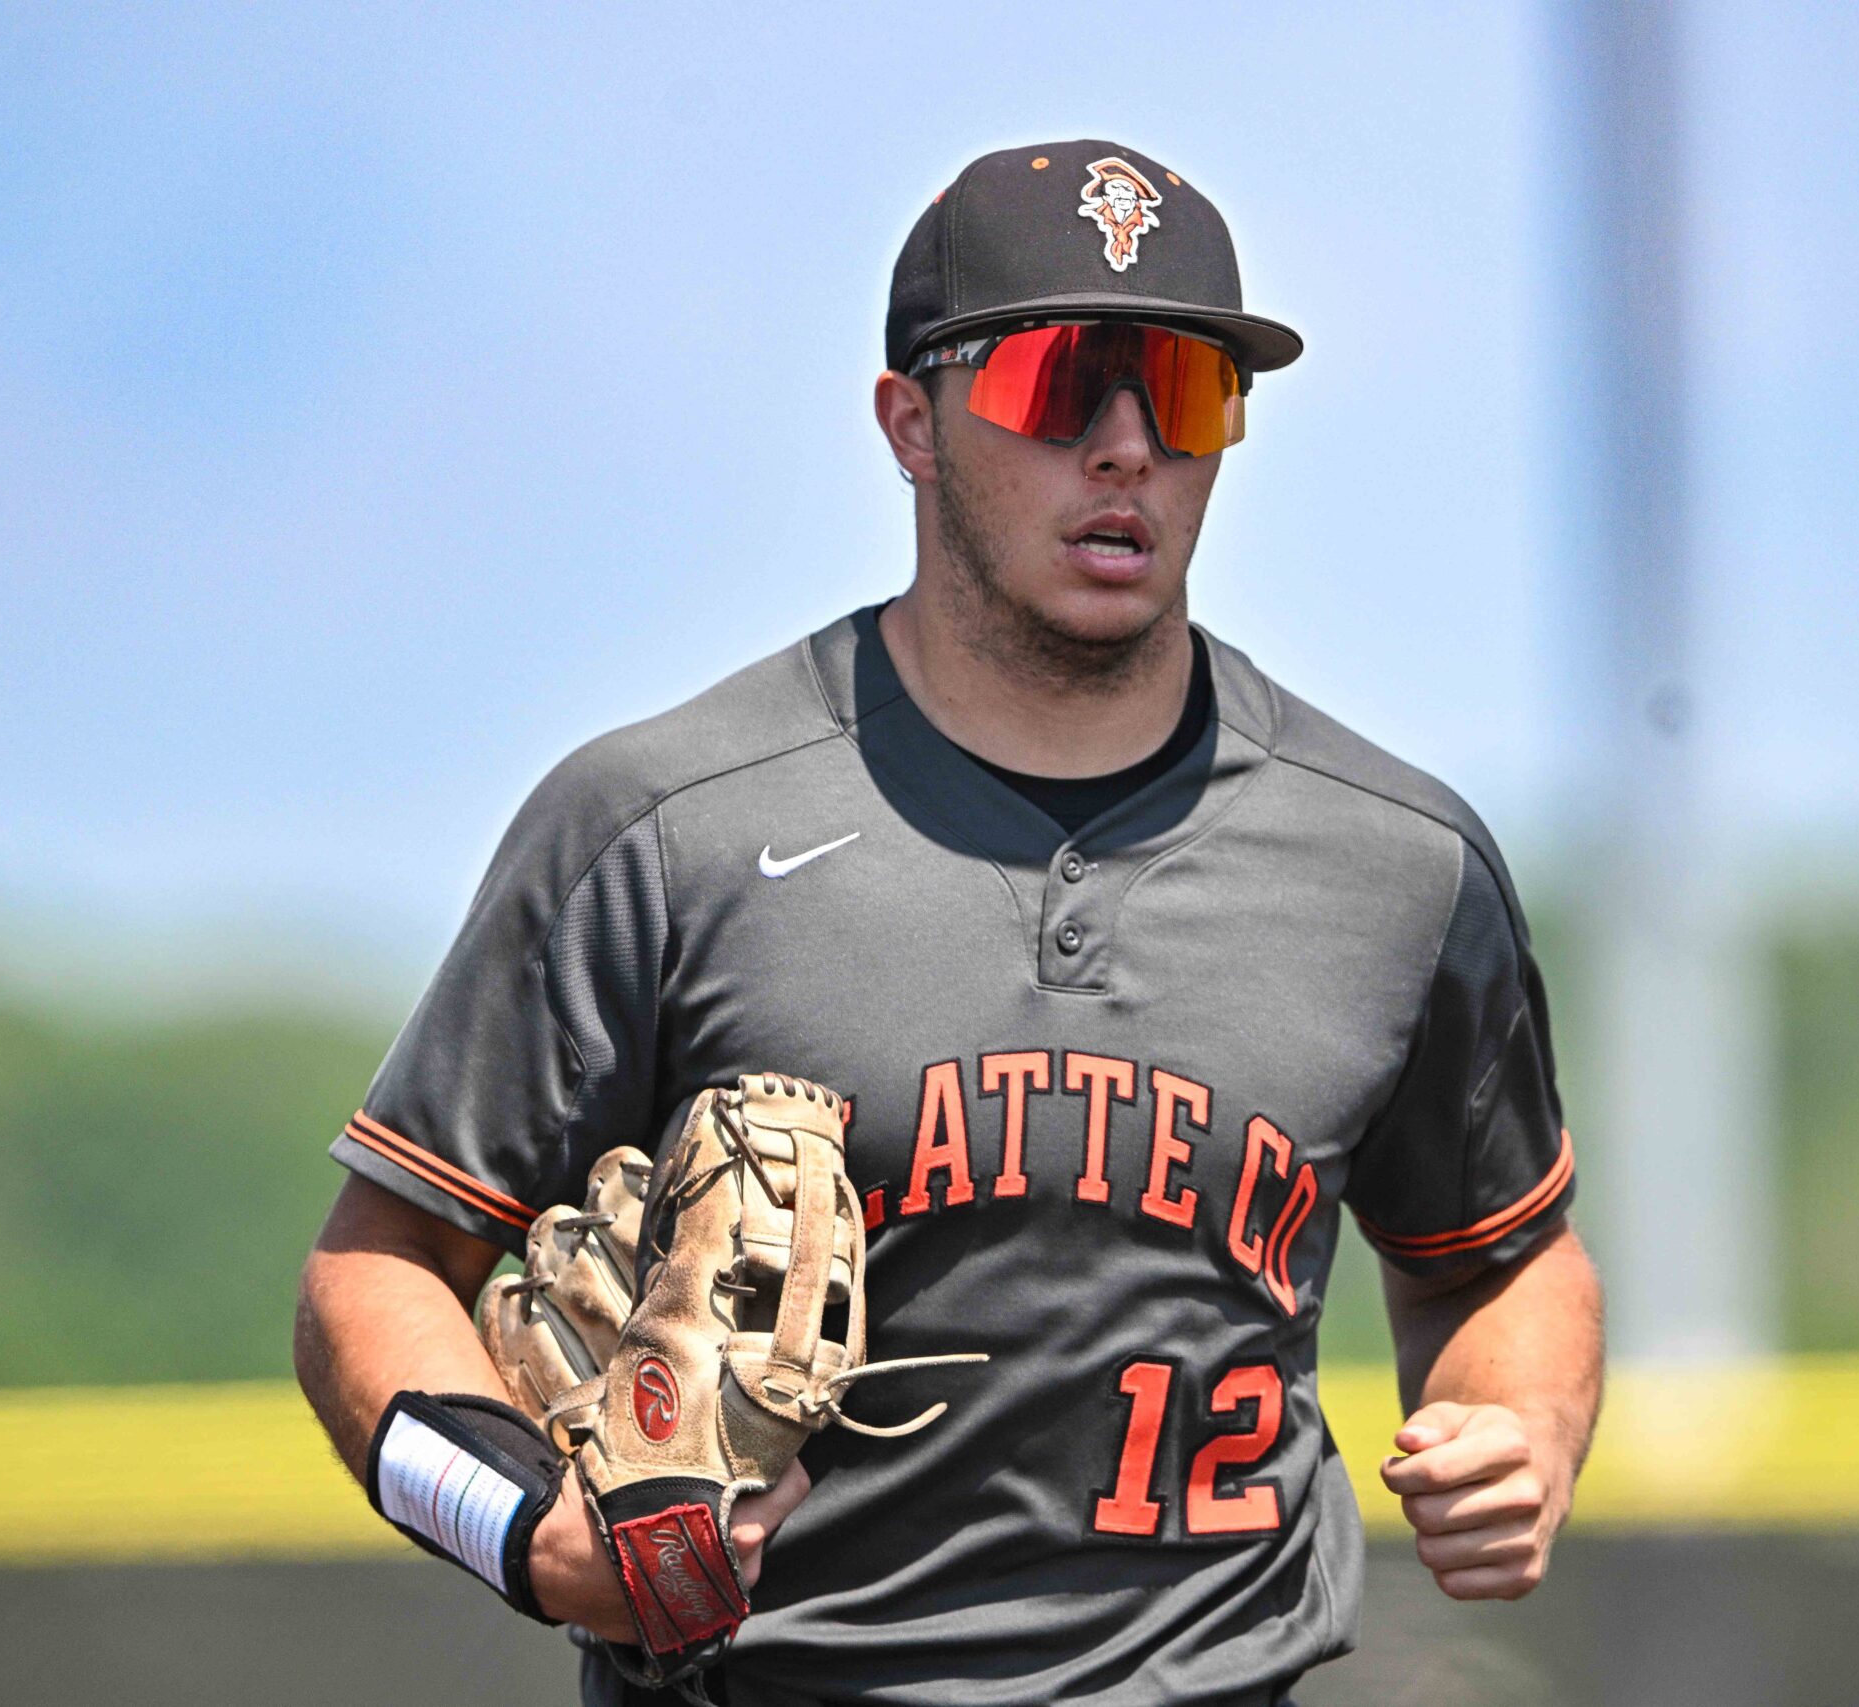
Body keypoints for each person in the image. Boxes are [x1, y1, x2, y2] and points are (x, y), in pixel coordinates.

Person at [294, 138, 1604, 1707]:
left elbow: (1499, 1259)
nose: (1127, 450)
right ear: (910, 423)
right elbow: (372, 1276)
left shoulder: (1393, 862)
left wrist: (1522, 1425)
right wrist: (526, 1534)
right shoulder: (663, 828)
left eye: (1187, 394)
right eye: (1063, 384)